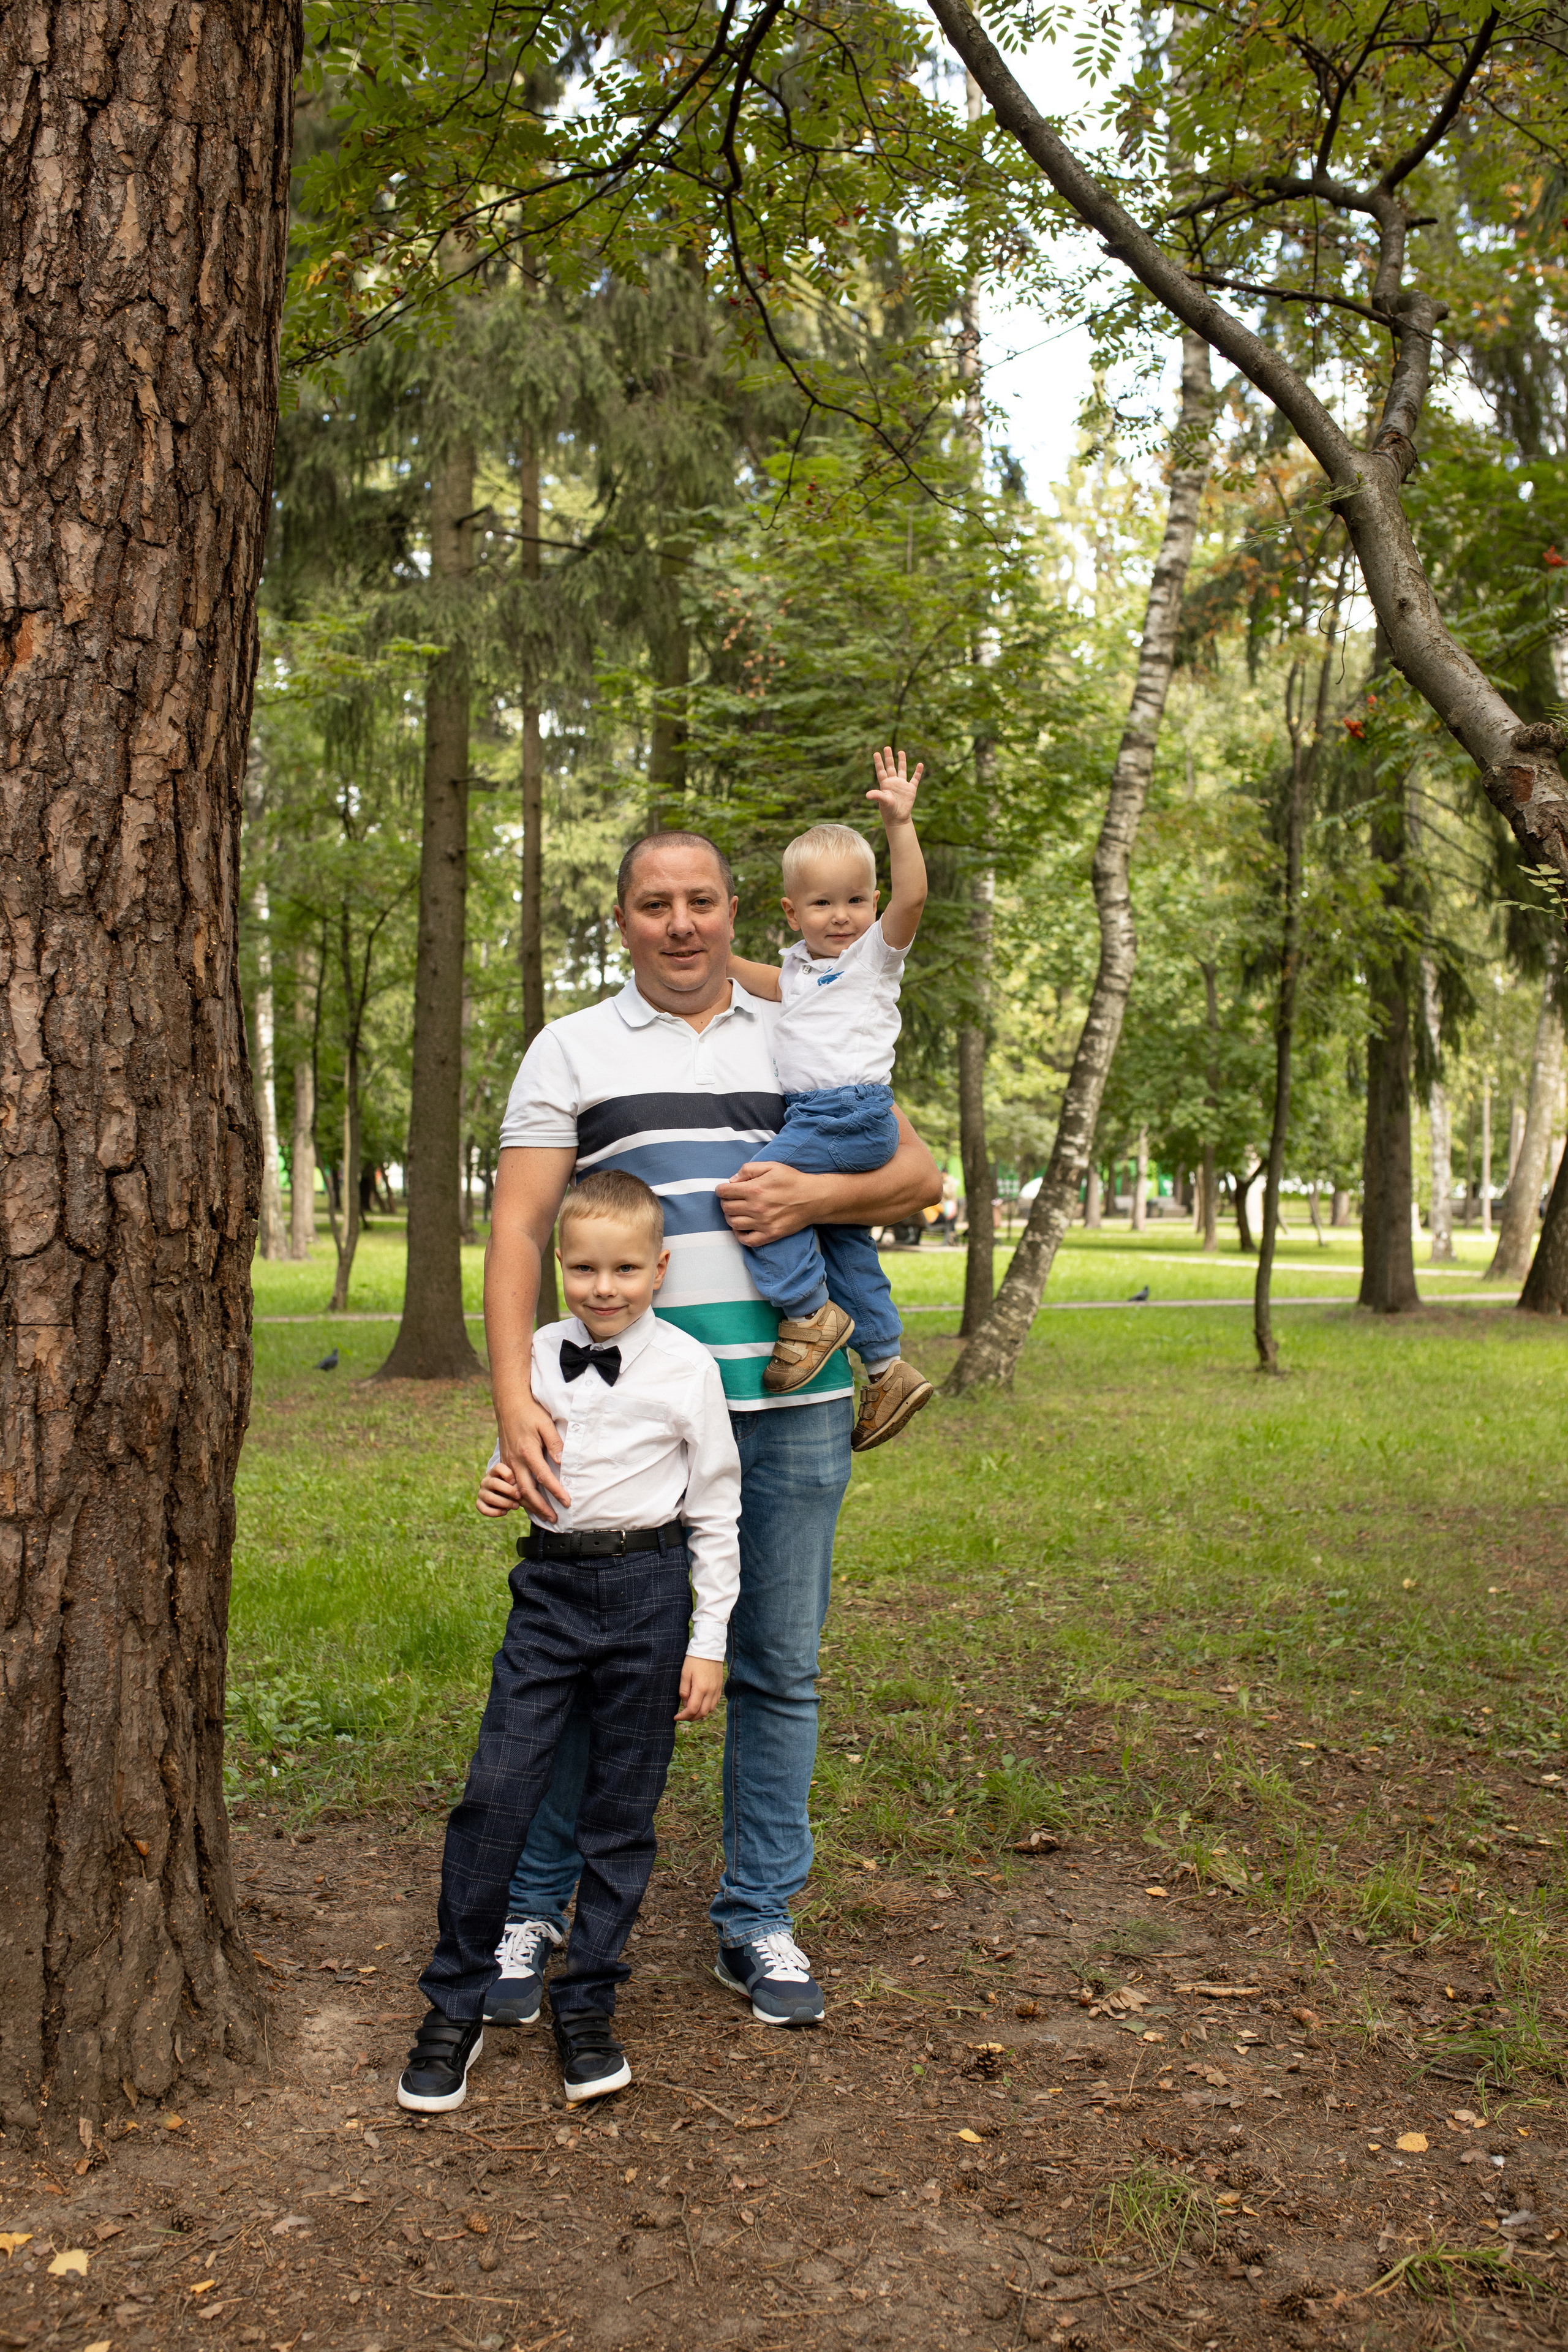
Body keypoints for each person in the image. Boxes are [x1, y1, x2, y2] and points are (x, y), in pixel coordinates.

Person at [481, 831, 940, 2035]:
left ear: (737, 911)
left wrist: (817, 1196)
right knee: (586, 1676)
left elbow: (916, 1173)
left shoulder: (801, 1018)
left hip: (790, 1410)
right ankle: (534, 1910)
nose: (678, 923)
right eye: (652, 904)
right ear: (622, 918)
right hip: (626, 1424)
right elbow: (523, 1231)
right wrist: (514, 1397)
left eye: (699, 902)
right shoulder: (570, 1049)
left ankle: (755, 1922)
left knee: (775, 1668)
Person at [397, 1169, 741, 2114]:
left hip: (649, 1594)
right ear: (558, 1268)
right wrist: (499, 1480)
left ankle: (587, 2002)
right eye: (584, 1267)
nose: (604, 1287)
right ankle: (453, 2008)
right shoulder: (539, 1356)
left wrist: (707, 1642)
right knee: (495, 1793)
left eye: (626, 1268)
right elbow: (524, 1452)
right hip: (547, 1591)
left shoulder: (688, 1371)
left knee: (619, 1815)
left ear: (660, 1268)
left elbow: (716, 1511)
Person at [724, 745, 934, 1454]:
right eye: (821, 903)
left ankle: (810, 1315)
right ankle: (884, 1365)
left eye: (853, 901)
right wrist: (712, 951)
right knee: (843, 1239)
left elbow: (912, 898)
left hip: (850, 1115)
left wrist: (900, 825)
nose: (840, 917)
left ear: (870, 905)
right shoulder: (797, 970)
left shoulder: (873, 956)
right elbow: (759, 980)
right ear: (792, 911)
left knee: (758, 1192)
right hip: (826, 1119)